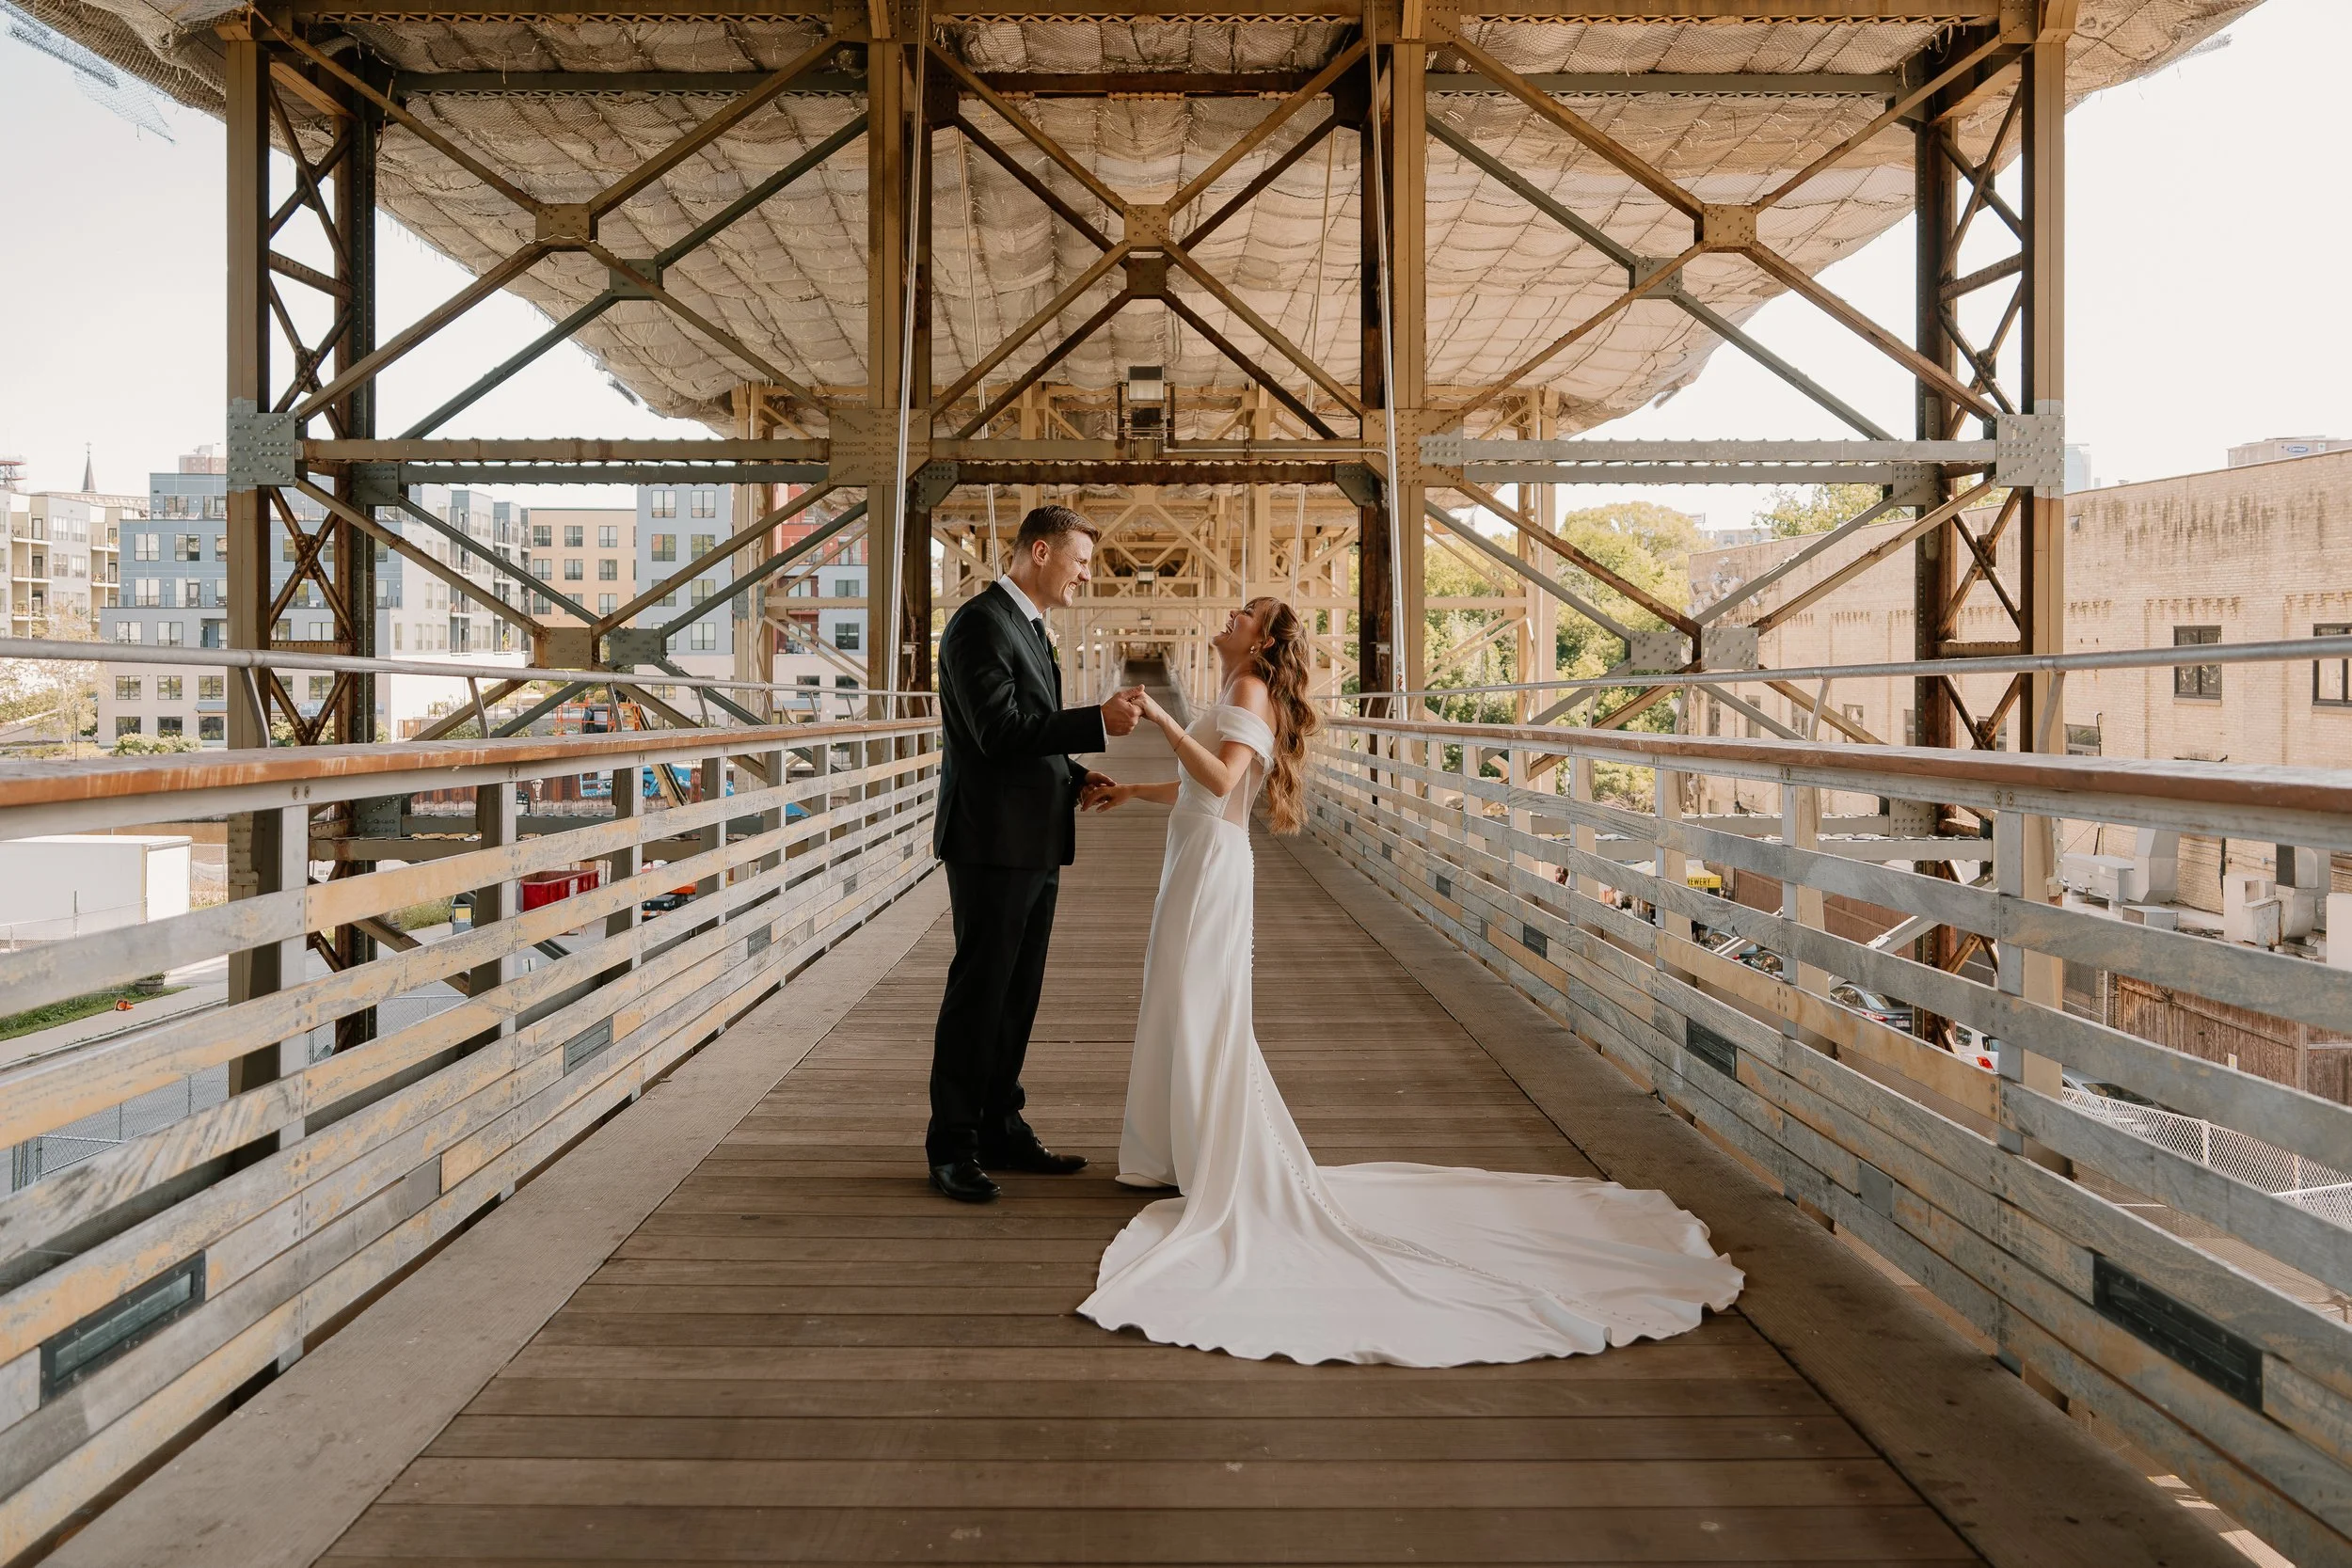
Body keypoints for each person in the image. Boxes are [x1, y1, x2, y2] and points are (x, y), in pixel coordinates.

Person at [1077, 596, 1743, 1366]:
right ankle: (1180, 1151)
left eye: (1247, 610)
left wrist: (1160, 724)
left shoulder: (1249, 691)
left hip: (1213, 870)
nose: (1229, 611)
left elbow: (1225, 777)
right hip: (1193, 859)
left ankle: (1204, 1157)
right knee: (1181, 1006)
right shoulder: (1235, 691)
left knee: (1201, 1011)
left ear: (1260, 643)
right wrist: (1133, 791)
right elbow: (1201, 789)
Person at [926, 504, 1145, 1204]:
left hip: (1030, 835)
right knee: (980, 992)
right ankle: (952, 1143)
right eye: (1081, 560)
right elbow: (997, 731)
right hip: (991, 841)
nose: (1086, 573)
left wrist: (1074, 774)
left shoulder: (1024, 626)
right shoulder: (979, 624)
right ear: (1041, 551)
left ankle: (1000, 1124)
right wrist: (1097, 723)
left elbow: (1028, 737)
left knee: (1017, 994)